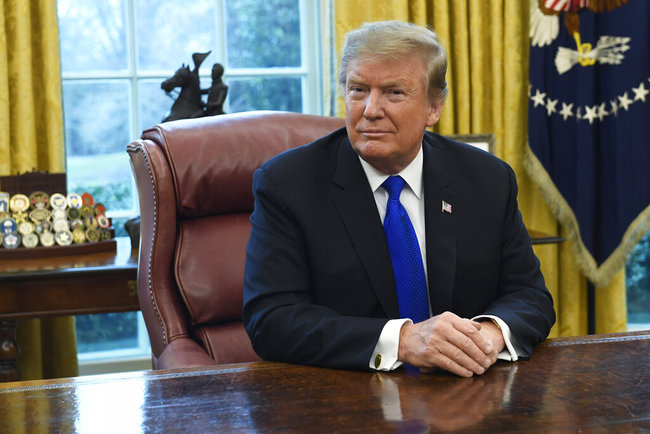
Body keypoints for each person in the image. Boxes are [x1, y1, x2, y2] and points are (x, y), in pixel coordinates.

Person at [243, 20, 555, 377]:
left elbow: (531, 296)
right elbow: (270, 320)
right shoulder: (288, 184)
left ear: (434, 108)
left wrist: (487, 335)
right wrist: (404, 340)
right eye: (358, 89)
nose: (370, 109)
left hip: (465, 394)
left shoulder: (487, 179)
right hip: (347, 398)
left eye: (394, 93)